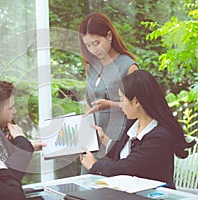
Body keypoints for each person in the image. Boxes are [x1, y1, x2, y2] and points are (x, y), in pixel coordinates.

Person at [80, 70, 196, 189]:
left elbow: (127, 167)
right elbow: (127, 154)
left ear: (136, 102)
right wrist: (103, 139)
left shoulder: (159, 137)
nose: (120, 105)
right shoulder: (133, 125)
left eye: (122, 99)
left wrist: (94, 165)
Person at [78, 12, 138, 173]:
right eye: (88, 45)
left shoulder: (127, 66)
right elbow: (88, 103)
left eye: (96, 43)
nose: (93, 49)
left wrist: (109, 104)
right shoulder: (92, 66)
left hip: (115, 140)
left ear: (109, 36)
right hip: (93, 141)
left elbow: (140, 105)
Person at [0, 80, 46, 182]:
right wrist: (22, 142)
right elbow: (9, 180)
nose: (14, 111)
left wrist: (29, 145)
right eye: (11, 108)